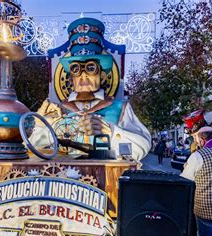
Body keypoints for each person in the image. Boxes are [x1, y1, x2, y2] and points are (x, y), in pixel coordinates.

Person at [32, 17, 151, 161]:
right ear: (71, 79)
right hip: (63, 179)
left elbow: (142, 148)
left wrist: (112, 132)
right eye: (76, 70)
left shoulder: (120, 108)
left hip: (107, 180)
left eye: (90, 69)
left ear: (101, 76)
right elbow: (30, 146)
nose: (83, 77)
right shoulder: (57, 111)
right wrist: (43, 125)